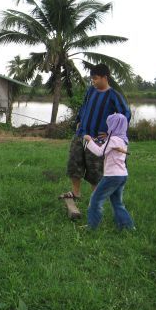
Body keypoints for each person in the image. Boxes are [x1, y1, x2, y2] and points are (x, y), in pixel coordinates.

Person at [59, 63, 131, 219]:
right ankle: (76, 193)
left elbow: (125, 115)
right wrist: (78, 121)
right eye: (92, 78)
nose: (93, 81)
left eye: (96, 78)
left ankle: (95, 199)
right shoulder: (90, 90)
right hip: (81, 135)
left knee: (95, 170)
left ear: (105, 77)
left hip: (98, 140)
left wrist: (112, 134)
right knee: (74, 164)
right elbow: (84, 107)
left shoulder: (114, 96)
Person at [83, 113, 135, 230]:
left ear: (114, 125)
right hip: (122, 175)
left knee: (95, 200)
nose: (108, 127)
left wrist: (89, 140)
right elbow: (106, 149)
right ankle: (127, 227)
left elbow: (99, 152)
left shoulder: (113, 139)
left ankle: (91, 227)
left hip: (112, 176)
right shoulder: (123, 139)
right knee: (117, 203)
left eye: (109, 124)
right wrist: (101, 142)